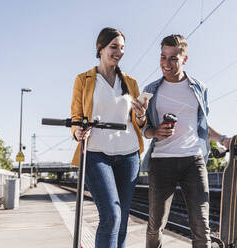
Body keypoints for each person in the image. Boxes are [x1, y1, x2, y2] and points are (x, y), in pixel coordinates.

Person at [142, 34, 231, 248]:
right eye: (163, 57)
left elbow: (201, 125)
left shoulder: (199, 88)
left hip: (193, 161)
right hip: (162, 161)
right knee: (156, 226)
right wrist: (155, 132)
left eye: (173, 58)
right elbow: (143, 130)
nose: (166, 63)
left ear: (185, 59)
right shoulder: (151, 90)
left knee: (201, 226)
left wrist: (223, 138)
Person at [70, 27, 148, 248]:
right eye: (114, 47)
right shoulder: (83, 79)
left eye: (122, 48)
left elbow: (139, 123)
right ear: (100, 48)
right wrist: (77, 131)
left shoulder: (130, 82)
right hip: (96, 154)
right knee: (111, 216)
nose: (119, 52)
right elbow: (76, 117)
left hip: (129, 155)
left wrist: (142, 115)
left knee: (122, 221)